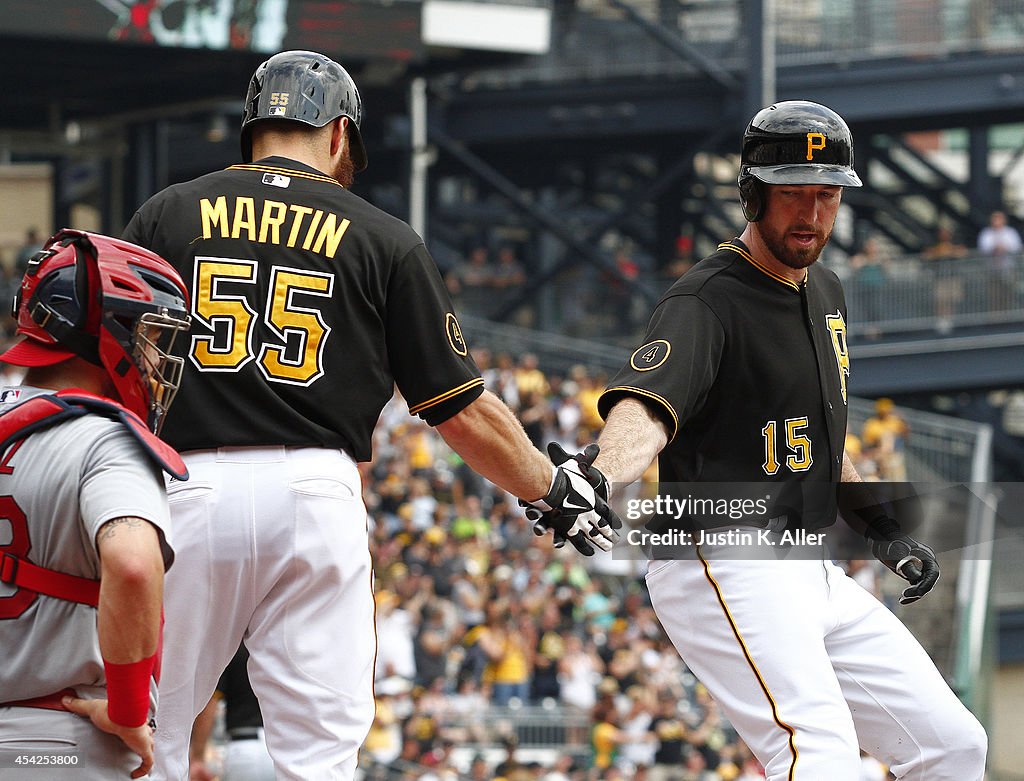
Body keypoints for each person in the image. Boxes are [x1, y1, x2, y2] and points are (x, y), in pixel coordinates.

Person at [121, 49, 618, 781]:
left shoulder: (165, 213)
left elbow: (112, 366)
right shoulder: (382, 236)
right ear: (339, 131)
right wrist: (550, 485)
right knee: (317, 755)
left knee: (147, 733)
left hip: (186, 485)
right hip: (315, 492)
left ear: (254, 129)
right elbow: (461, 412)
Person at [532, 101, 987, 779]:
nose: (811, 213)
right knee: (817, 752)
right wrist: (597, 476)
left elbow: (824, 436)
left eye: (826, 194)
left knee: (954, 744)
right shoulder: (706, 300)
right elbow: (647, 410)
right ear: (752, 194)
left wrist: (882, 526)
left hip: (809, 563)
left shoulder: (825, 290)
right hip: (722, 555)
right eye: (793, 194)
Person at [0, 229, 191, 779]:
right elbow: (132, 564)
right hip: (58, 746)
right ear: (109, 331)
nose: (155, 356)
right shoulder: (105, 438)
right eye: (149, 333)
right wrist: (130, 711)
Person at [977, 209, 1023, 309]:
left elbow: (1016, 247)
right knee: (994, 294)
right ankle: (995, 318)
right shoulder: (987, 233)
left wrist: (1005, 248)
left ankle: (1007, 315)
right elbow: (983, 248)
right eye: (995, 219)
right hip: (992, 270)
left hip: (1008, 269)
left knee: (1008, 293)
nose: (997, 221)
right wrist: (995, 248)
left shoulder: (1010, 232)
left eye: (999, 218)